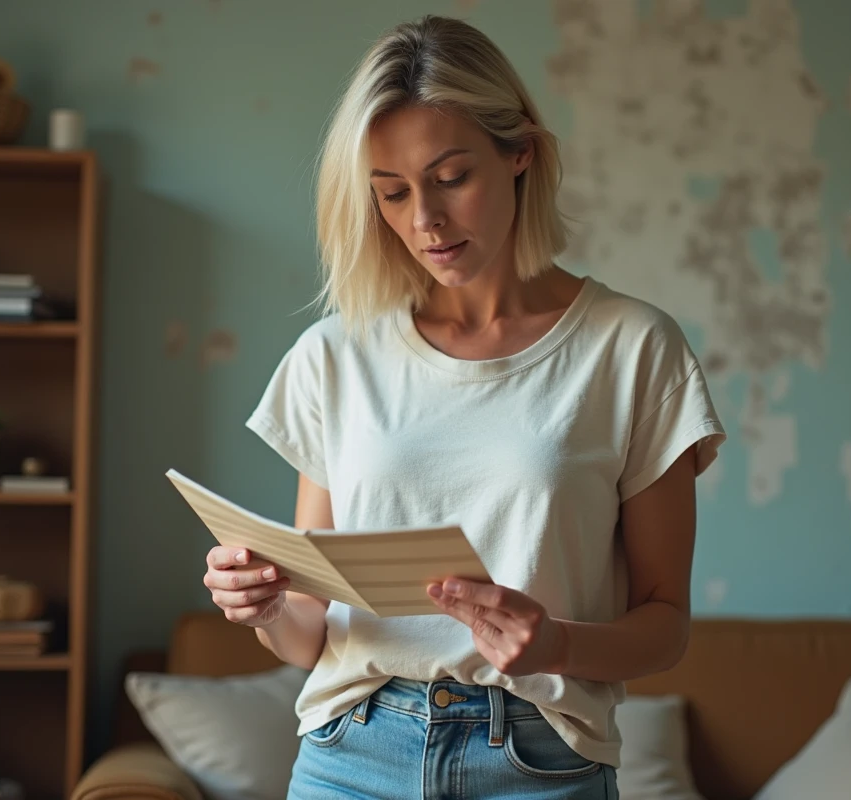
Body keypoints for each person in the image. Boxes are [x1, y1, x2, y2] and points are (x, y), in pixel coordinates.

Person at [203, 13, 725, 799]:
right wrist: (267, 607)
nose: (425, 221)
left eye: (451, 178)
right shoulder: (335, 357)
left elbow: (666, 622)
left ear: (520, 152)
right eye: (392, 193)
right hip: (350, 754)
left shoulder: (634, 349)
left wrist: (555, 645)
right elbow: (312, 633)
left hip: (538, 762)